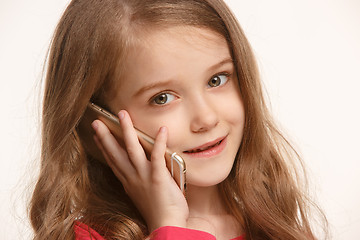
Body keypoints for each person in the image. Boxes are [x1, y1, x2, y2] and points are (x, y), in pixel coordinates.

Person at [29, 0, 327, 239]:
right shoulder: (86, 237)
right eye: (163, 98)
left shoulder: (278, 227)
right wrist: (169, 225)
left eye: (217, 79)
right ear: (102, 122)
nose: (206, 118)